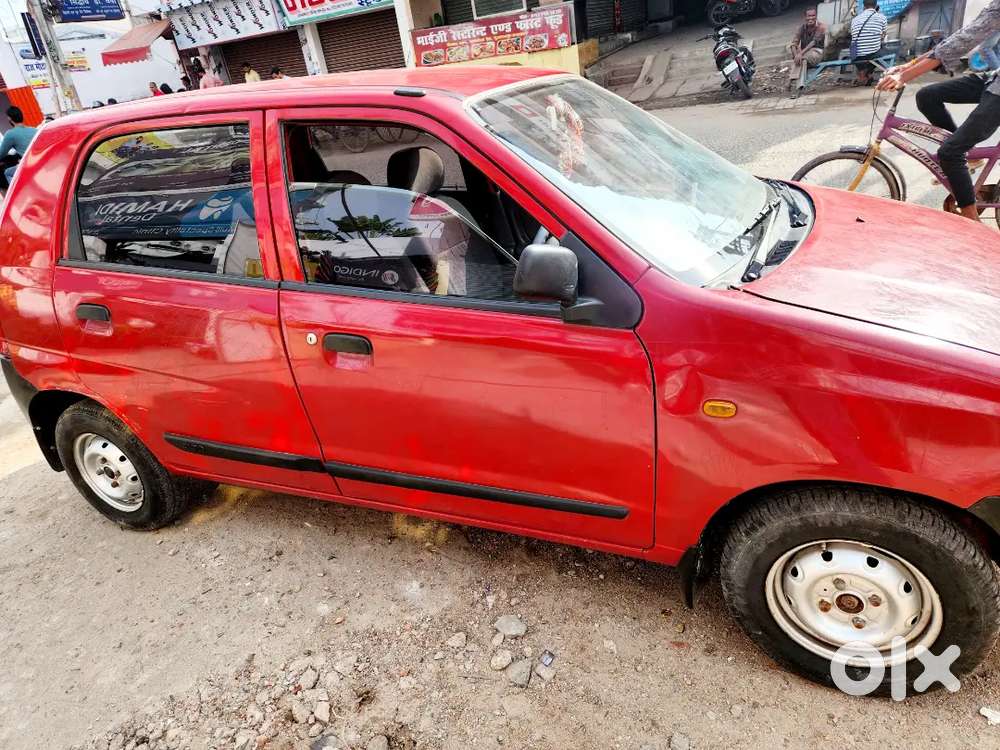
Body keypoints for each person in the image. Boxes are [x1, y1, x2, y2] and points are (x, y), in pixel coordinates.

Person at [878, 0, 1000, 222]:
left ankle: (973, 224)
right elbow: (960, 36)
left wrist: (904, 77)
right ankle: (968, 157)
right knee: (927, 96)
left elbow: (964, 40)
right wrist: (907, 66)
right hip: (995, 79)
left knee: (949, 153)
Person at [789, 8, 827, 98]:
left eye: (813, 16)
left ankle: (791, 82)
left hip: (817, 52)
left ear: (816, 16)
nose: (811, 18)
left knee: (802, 58)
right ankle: (799, 87)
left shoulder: (821, 27)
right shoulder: (802, 28)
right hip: (804, 55)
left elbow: (813, 43)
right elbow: (794, 43)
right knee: (802, 60)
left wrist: (800, 54)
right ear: (805, 17)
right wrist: (795, 55)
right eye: (809, 16)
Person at [851, 0, 888, 85]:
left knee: (859, 52)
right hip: (872, 53)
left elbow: (853, 35)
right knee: (882, 51)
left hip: (856, 55)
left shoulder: (855, 20)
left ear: (864, 6)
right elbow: (883, 36)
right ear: (876, 6)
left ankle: (863, 75)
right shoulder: (882, 17)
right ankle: (868, 74)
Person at [1, 106, 38, 188]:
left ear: (9, 119)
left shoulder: (10, 134)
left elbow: (1, 153)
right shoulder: (34, 130)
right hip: (39, 161)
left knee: (8, 173)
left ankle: (18, 194)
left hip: (29, 165)